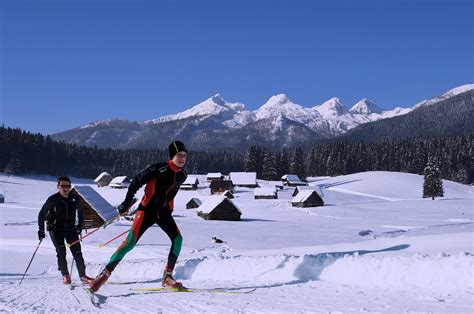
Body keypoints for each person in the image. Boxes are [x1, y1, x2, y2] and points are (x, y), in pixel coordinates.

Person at [89, 141, 188, 292]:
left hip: (163, 213)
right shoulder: (158, 168)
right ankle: (104, 275)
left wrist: (169, 209)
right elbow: (135, 182)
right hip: (147, 211)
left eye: (184, 155)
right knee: (129, 243)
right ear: (171, 155)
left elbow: (171, 193)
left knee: (178, 240)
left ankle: (167, 276)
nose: (182, 158)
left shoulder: (182, 175)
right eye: (179, 155)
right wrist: (126, 203)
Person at [38, 176, 93, 285]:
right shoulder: (52, 199)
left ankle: (83, 276)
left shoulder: (74, 198)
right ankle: (66, 276)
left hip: (70, 228)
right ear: (58, 187)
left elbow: (81, 212)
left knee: (77, 252)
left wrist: (80, 225)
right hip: (55, 228)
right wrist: (41, 230)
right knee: (61, 251)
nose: (66, 188)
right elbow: (41, 214)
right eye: (63, 186)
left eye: (68, 186)